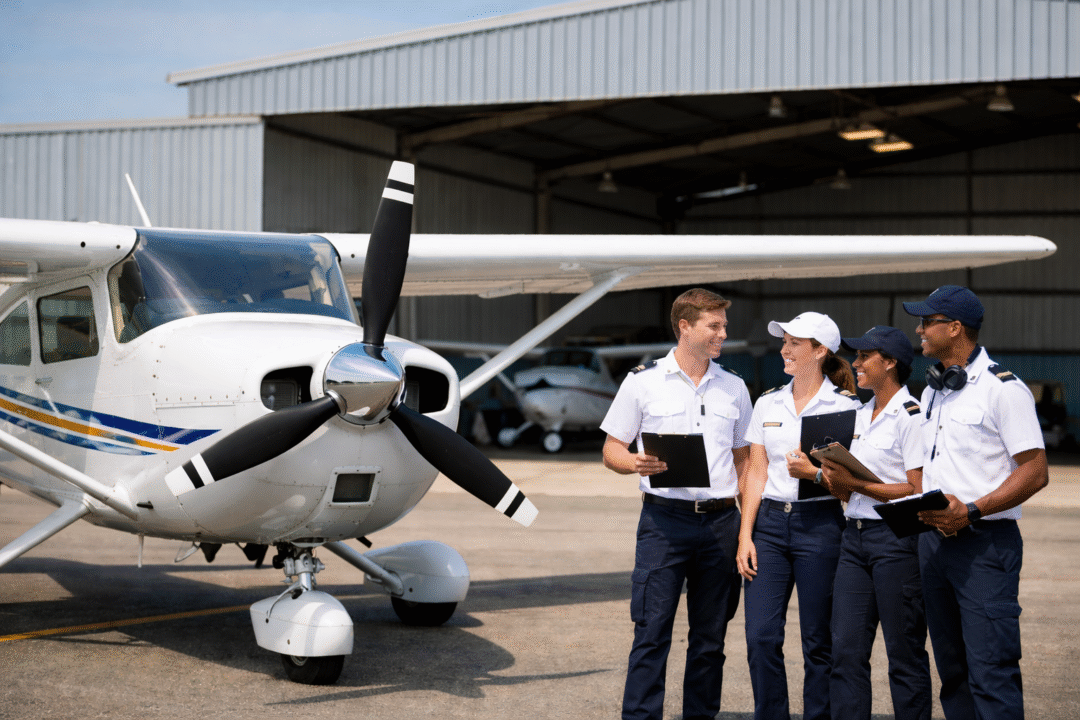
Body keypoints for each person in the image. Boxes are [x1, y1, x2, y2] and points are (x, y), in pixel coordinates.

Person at [601, 287, 753, 720]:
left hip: (721, 524)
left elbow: (745, 459)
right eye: (714, 325)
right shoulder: (642, 382)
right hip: (664, 523)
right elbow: (611, 449)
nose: (723, 334)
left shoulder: (734, 387)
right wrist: (634, 463)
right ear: (685, 326)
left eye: (724, 325)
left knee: (710, 640)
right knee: (651, 633)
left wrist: (746, 529)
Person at [902, 285, 1048, 720]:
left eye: (927, 322)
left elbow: (1035, 471)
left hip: (984, 545)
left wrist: (971, 510)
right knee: (953, 672)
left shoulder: (1004, 390)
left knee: (991, 670)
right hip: (934, 543)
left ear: (954, 328)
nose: (919, 330)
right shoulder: (933, 392)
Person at [736, 311, 860, 720]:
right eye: (784, 341)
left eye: (794, 343)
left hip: (821, 525)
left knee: (818, 641)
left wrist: (816, 474)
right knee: (760, 637)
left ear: (820, 351)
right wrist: (745, 535)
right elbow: (756, 472)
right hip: (769, 527)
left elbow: (854, 482)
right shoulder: (767, 401)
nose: (784, 350)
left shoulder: (848, 407)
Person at [817, 326, 932, 720]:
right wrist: (834, 479)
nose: (856, 363)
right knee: (845, 651)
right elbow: (853, 487)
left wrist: (855, 484)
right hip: (854, 538)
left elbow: (916, 488)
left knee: (904, 652)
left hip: (896, 540)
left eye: (866, 356)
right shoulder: (860, 414)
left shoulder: (911, 416)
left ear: (891, 362)